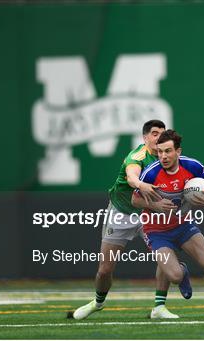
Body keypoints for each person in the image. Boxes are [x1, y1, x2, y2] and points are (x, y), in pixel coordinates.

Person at [70, 120, 186, 320]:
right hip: (121, 212)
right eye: (155, 133)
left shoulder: (166, 158)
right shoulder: (137, 156)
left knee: (164, 257)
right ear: (145, 137)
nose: (159, 137)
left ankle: (159, 306)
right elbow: (132, 177)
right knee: (105, 270)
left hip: (148, 213)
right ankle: (98, 302)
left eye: (163, 133)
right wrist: (141, 185)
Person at [131, 129, 204, 318]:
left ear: (178, 152)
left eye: (168, 151)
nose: (163, 156)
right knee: (175, 276)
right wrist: (156, 205)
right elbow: (135, 200)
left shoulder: (192, 166)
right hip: (156, 231)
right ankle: (181, 270)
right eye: (159, 152)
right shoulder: (151, 173)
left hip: (183, 226)